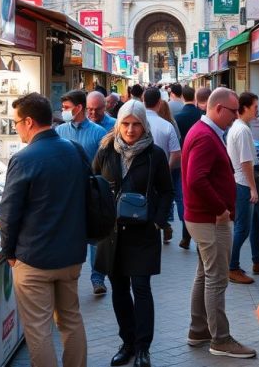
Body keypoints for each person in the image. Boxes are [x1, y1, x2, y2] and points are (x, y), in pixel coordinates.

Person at [0, 93, 89, 367]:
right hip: (71, 254)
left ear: (28, 122)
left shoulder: (24, 158)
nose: (16, 128)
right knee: (71, 320)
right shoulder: (74, 150)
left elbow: (9, 212)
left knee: (38, 330)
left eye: (16, 123)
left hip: (34, 257)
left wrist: (9, 252)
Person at [92, 101, 174, 367]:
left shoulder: (155, 154)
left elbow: (167, 191)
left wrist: (157, 221)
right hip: (112, 234)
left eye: (136, 124)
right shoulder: (106, 150)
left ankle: (142, 348)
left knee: (141, 288)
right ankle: (126, 342)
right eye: (125, 124)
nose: (130, 129)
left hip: (142, 233)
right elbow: (92, 184)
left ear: (144, 125)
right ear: (118, 124)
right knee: (118, 289)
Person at [182, 88, 256, 359]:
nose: (237, 116)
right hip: (208, 219)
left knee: (205, 274)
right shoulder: (204, 136)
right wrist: (221, 209)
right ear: (216, 109)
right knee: (216, 279)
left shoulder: (207, 133)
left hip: (203, 218)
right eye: (233, 110)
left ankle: (199, 329)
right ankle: (220, 339)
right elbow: (196, 179)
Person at [55, 89, 109, 296]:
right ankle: (71, 278)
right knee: (72, 236)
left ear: (78, 108)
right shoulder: (60, 132)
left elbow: (105, 165)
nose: (63, 111)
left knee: (95, 238)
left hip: (91, 193)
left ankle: (97, 278)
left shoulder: (98, 133)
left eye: (67, 108)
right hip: (67, 195)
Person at [226, 92, 259, 284]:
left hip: (241, 182)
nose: (256, 111)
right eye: (254, 107)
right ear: (244, 108)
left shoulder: (239, 127)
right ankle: (232, 266)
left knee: (257, 222)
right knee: (243, 228)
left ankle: (258, 260)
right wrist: (253, 188)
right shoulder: (242, 131)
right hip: (243, 183)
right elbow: (246, 163)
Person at [142, 88, 182, 244]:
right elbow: (176, 153)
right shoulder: (167, 125)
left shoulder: (135, 123)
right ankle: (161, 225)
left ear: (143, 101)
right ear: (159, 103)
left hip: (138, 174)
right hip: (162, 175)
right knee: (163, 201)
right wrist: (166, 170)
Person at [171, 85, 200, 249]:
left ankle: (186, 236)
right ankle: (196, 237)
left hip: (185, 161)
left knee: (185, 198)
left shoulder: (179, 118)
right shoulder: (201, 116)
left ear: (182, 97)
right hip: (201, 162)